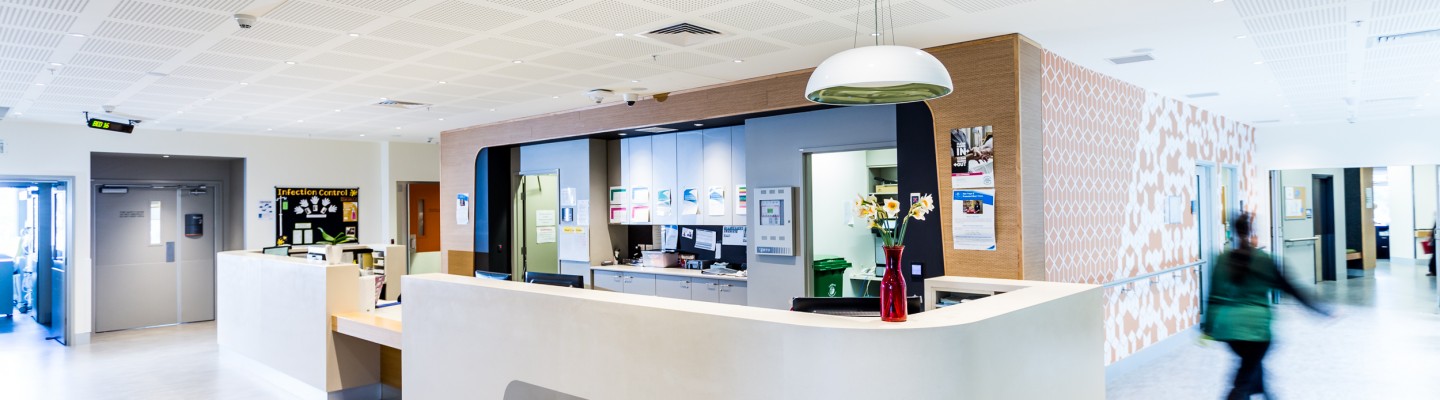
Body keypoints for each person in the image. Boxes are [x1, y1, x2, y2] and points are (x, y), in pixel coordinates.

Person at [1204, 213, 1330, 400]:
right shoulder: (1264, 259)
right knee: (1244, 379)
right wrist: (1320, 310)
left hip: (1229, 330)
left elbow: (1214, 296)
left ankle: (1266, 394)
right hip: (1257, 331)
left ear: (1234, 234)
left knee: (1252, 366)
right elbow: (1291, 288)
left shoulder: (1222, 260)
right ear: (1253, 234)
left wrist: (1208, 329)